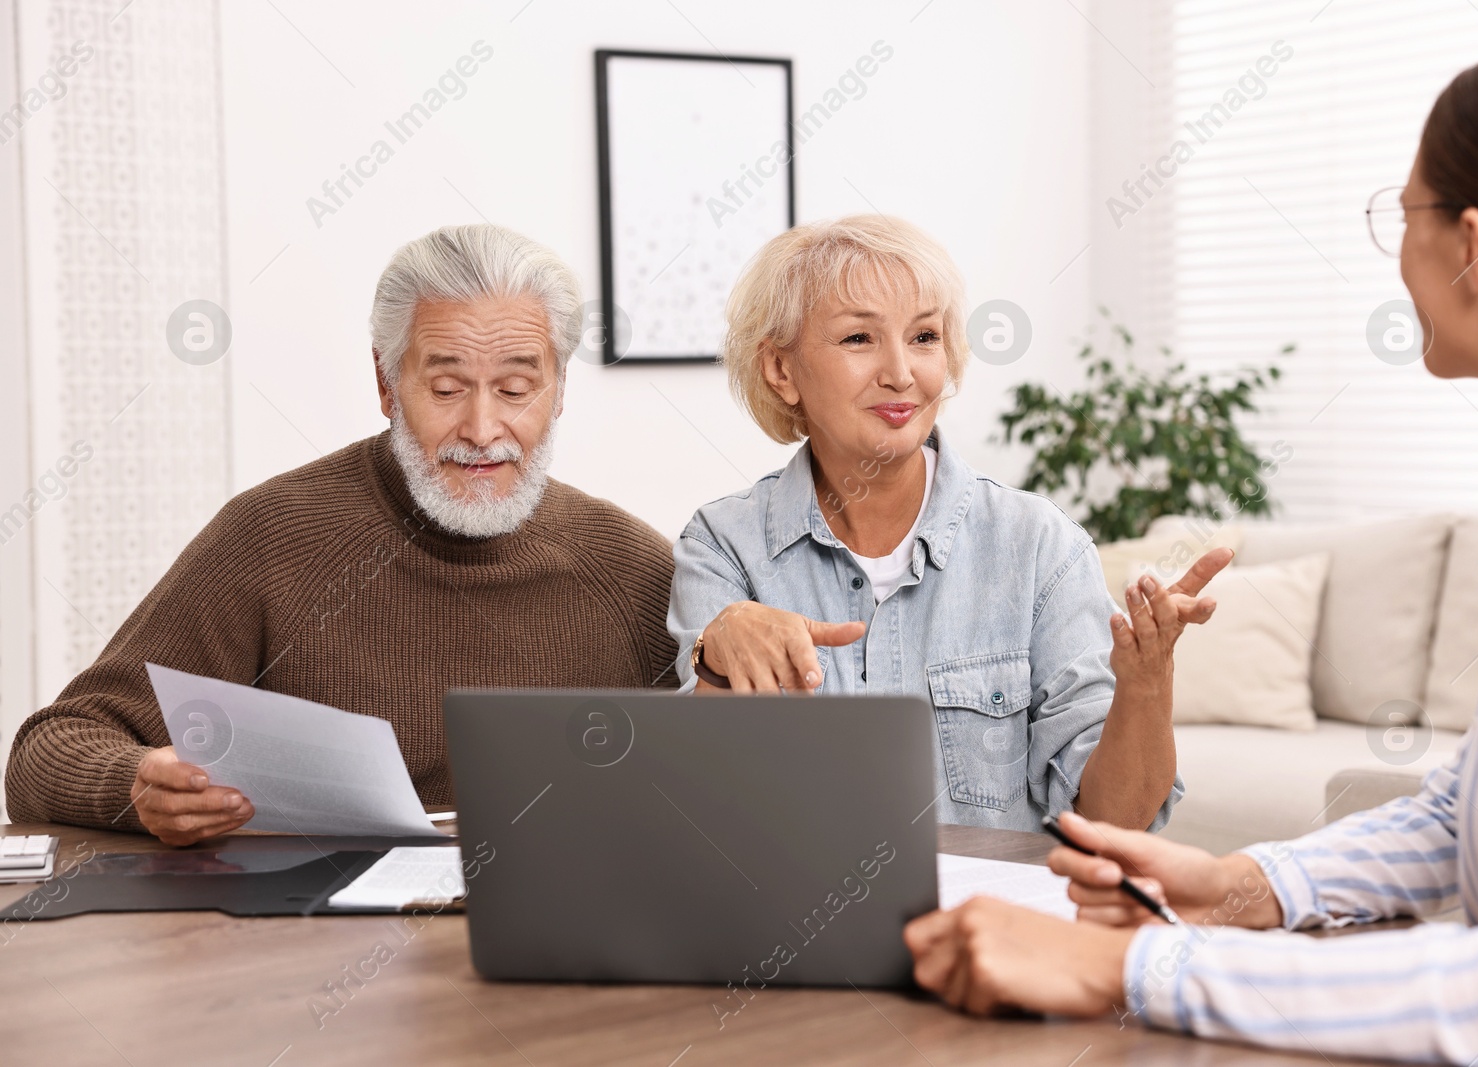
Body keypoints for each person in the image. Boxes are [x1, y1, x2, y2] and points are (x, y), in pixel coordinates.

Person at [903, 39, 1478, 1064]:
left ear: (1473, 247)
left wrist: (1125, 968)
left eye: (1401, 218)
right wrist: (1241, 885)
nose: (1396, 257)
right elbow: (1474, 810)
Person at [5, 224, 678, 845]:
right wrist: (136, 782)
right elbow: (48, 748)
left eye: (515, 389)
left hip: (557, 934)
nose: (480, 428)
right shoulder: (270, 534)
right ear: (387, 384)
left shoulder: (632, 568)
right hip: (313, 942)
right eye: (445, 388)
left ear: (558, 393)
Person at [667, 215, 1231, 832]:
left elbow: (1115, 822)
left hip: (993, 923)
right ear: (781, 370)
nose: (901, 373)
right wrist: (717, 655)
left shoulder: (1040, 544)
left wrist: (1146, 685)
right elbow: (705, 805)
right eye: (859, 338)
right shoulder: (724, 546)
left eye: (925, 337)